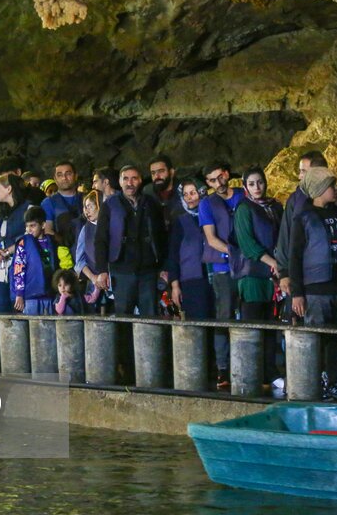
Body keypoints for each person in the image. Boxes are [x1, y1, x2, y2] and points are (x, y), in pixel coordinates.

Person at [289, 167, 337, 399]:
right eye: (331, 185)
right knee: (316, 341)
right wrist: (297, 293)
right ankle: (315, 384)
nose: (335, 189)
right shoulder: (303, 217)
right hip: (315, 290)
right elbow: (295, 256)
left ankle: (334, 382)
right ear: (320, 190)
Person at [94, 166, 167, 317]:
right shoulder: (110, 205)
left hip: (148, 271)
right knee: (123, 318)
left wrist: (163, 267)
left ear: (140, 180)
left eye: (134, 178)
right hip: (121, 271)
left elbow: (161, 236)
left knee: (151, 319)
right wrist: (102, 270)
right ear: (120, 182)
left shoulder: (151, 204)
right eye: (125, 178)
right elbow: (101, 239)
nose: (130, 183)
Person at [233, 167, 283, 383]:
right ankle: (252, 373)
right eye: (251, 184)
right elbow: (247, 243)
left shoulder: (276, 206)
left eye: (260, 182)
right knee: (254, 323)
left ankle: (270, 372)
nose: (257, 187)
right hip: (253, 273)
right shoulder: (244, 209)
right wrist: (272, 262)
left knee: (271, 323)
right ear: (245, 187)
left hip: (274, 273)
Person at [199, 160, 245, 390]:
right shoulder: (207, 204)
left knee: (248, 314)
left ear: (227, 175)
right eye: (211, 180)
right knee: (224, 316)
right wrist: (235, 252)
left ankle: (247, 365)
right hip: (223, 268)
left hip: (247, 267)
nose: (217, 183)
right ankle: (223, 368)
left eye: (220, 177)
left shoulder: (243, 196)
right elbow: (211, 238)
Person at [275, 150, 328, 296]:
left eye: (304, 171)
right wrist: (284, 272)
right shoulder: (296, 199)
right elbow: (286, 236)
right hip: (301, 275)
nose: (299, 176)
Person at [0, 173, 29, 314]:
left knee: (18, 308)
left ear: (8, 189)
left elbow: (30, 237)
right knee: (1, 308)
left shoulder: (28, 209)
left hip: (19, 267)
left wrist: (8, 251)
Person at [168, 179, 213, 319]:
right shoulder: (180, 222)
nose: (189, 198)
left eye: (193, 193)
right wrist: (175, 286)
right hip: (192, 281)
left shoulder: (214, 215)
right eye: (186, 194)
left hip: (216, 277)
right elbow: (173, 255)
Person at [12, 206, 58, 315]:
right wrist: (19, 294)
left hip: (50, 295)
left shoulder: (52, 242)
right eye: (27, 226)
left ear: (43, 225)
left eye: (32, 226)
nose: (29, 230)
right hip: (30, 297)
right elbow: (19, 269)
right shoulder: (24, 243)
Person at [74, 190, 109, 312]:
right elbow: (79, 260)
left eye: (90, 206)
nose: (86, 211)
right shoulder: (85, 229)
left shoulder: (111, 225)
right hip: (93, 283)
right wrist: (94, 278)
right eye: (85, 207)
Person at [42, 160, 81, 245]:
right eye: (60, 175)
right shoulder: (49, 203)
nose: (64, 178)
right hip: (62, 251)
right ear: (55, 179)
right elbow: (48, 230)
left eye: (68, 174)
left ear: (75, 176)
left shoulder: (86, 198)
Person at [143, 154, 183, 224]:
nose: (157, 176)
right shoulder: (147, 192)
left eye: (161, 171)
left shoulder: (184, 190)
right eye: (153, 173)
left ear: (171, 172)